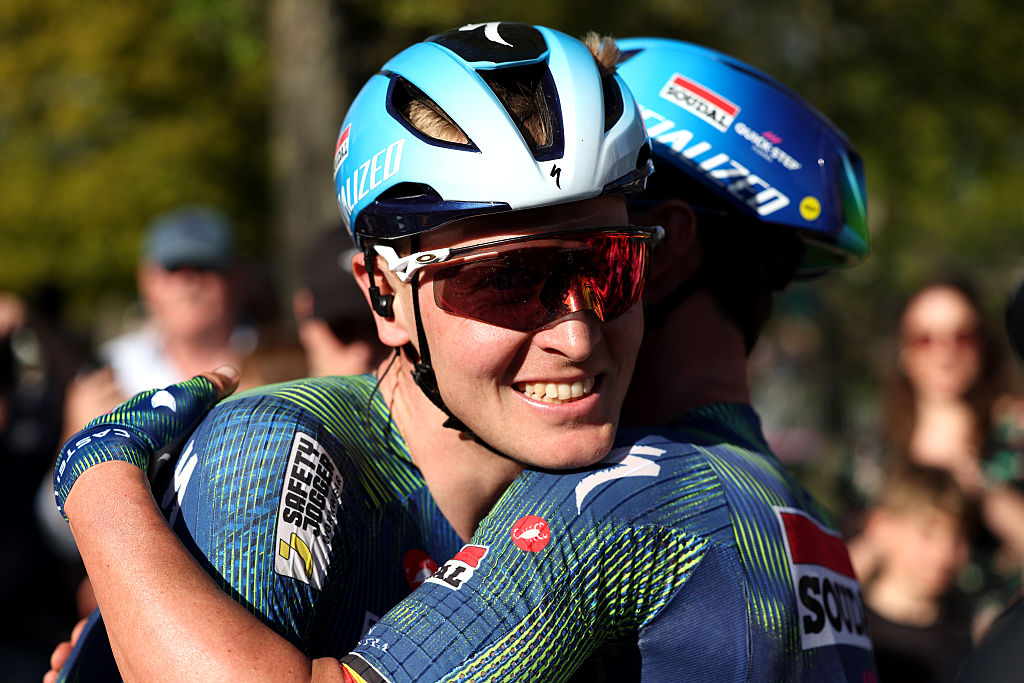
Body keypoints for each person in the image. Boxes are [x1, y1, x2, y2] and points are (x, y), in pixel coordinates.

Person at [50, 32, 877, 681]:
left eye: (612, 266)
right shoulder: (277, 451)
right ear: (382, 293)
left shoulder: (608, 494)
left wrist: (99, 482)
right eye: (507, 280)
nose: (578, 332)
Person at [853, 277, 1024, 634]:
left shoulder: (1014, 438)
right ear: (903, 351)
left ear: (983, 346)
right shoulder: (870, 453)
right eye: (925, 339)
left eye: (962, 336)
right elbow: (839, 569)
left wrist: (982, 489)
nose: (945, 353)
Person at [60, 205, 248, 440]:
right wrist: (77, 436)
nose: (189, 283)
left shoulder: (277, 361)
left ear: (237, 276)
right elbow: (53, 478)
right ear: (147, 280)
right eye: (173, 268)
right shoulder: (108, 370)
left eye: (205, 267)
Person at [854, 465, 974, 682]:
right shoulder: (844, 620)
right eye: (927, 533)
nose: (945, 553)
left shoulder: (968, 632)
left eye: (959, 536)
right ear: (880, 526)